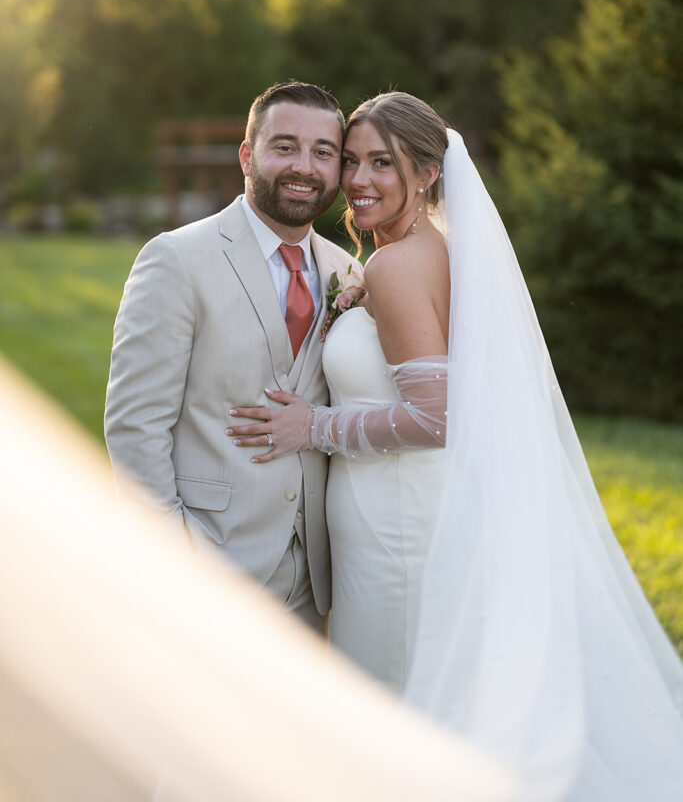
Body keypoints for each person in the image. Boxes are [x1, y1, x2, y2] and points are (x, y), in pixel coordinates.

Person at [229, 91, 683, 801]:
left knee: (399, 707)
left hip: (398, 530)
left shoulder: (397, 266)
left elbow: (434, 417)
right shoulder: (431, 254)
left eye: (384, 163)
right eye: (351, 160)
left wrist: (313, 427)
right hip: (410, 515)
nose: (358, 179)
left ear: (429, 171)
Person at [105, 81, 360, 633]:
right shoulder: (177, 259)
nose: (305, 167)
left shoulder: (349, 272)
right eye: (285, 146)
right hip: (208, 570)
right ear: (248, 156)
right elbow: (134, 426)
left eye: (324, 153)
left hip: (318, 586)